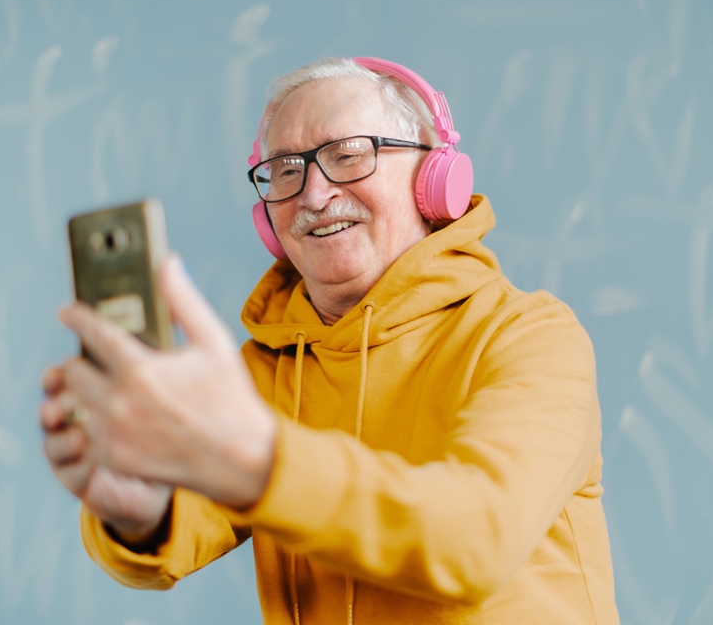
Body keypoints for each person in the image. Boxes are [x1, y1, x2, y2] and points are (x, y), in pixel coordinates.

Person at [40, 56, 619, 624]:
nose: (313, 196)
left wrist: (261, 462)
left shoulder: (529, 336)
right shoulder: (262, 372)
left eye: (348, 156)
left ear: (433, 179)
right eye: (286, 171)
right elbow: (168, 538)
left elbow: (477, 536)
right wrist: (141, 513)